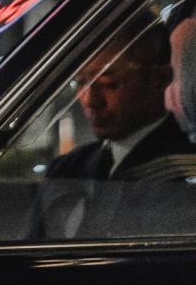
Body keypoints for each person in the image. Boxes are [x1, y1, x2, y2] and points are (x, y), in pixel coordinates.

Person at [39, 25, 196, 239]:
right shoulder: (65, 170)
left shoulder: (182, 176)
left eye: (107, 82)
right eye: (80, 82)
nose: (89, 99)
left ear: (159, 78)